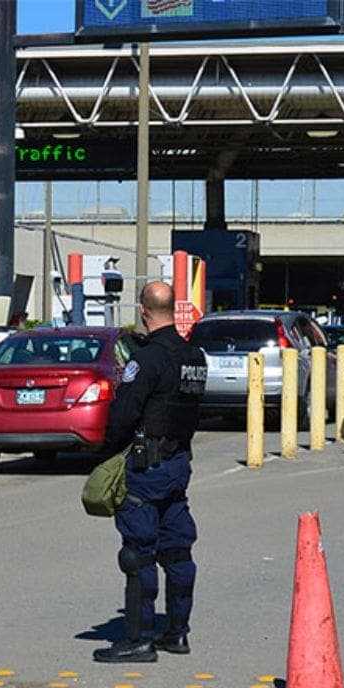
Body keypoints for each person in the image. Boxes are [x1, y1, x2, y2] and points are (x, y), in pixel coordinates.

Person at [93, 281, 207, 664]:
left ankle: (139, 640)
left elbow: (123, 415)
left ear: (144, 312)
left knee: (138, 554)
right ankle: (177, 633)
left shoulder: (148, 359)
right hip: (178, 465)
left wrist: (105, 453)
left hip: (146, 467)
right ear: (174, 309)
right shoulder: (195, 356)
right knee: (177, 550)